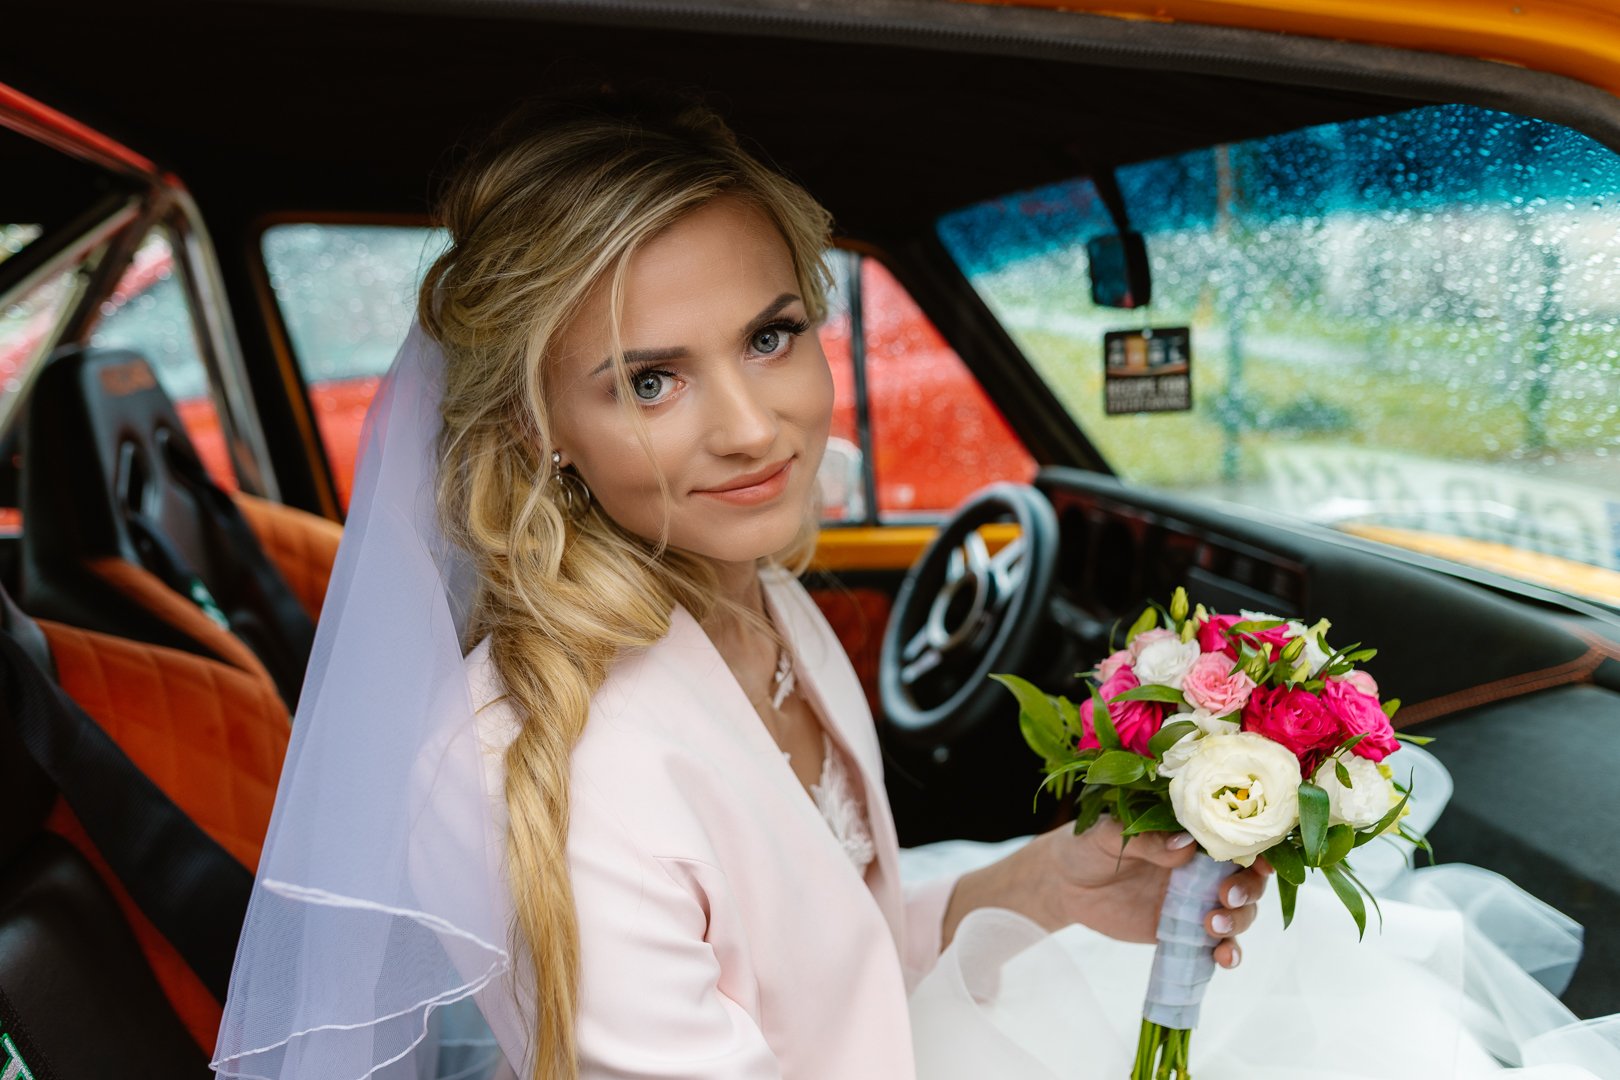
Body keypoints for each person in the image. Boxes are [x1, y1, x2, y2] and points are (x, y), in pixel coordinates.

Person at [212, 91, 1617, 1080]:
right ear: (541, 431)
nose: (753, 428)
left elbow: (849, 946)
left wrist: (1059, 882)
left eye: (771, 336)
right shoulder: (553, 771)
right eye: (648, 380)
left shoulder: (756, 599)